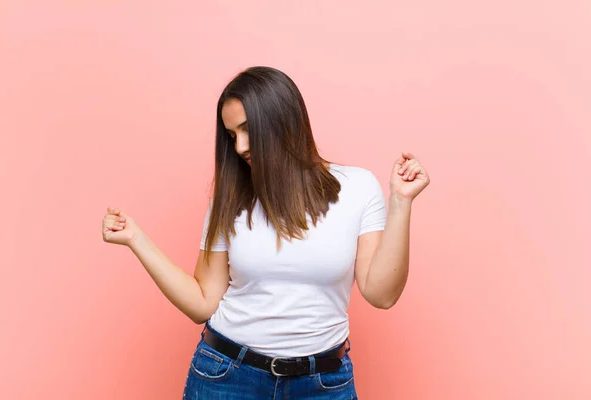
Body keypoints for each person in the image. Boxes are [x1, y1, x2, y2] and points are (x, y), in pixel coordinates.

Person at [102, 66, 430, 399]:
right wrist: (135, 239)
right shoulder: (230, 201)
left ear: (283, 121)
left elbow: (381, 293)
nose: (241, 146)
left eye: (248, 130)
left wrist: (401, 203)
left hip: (323, 383)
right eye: (232, 135)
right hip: (228, 377)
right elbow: (202, 303)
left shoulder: (357, 188)